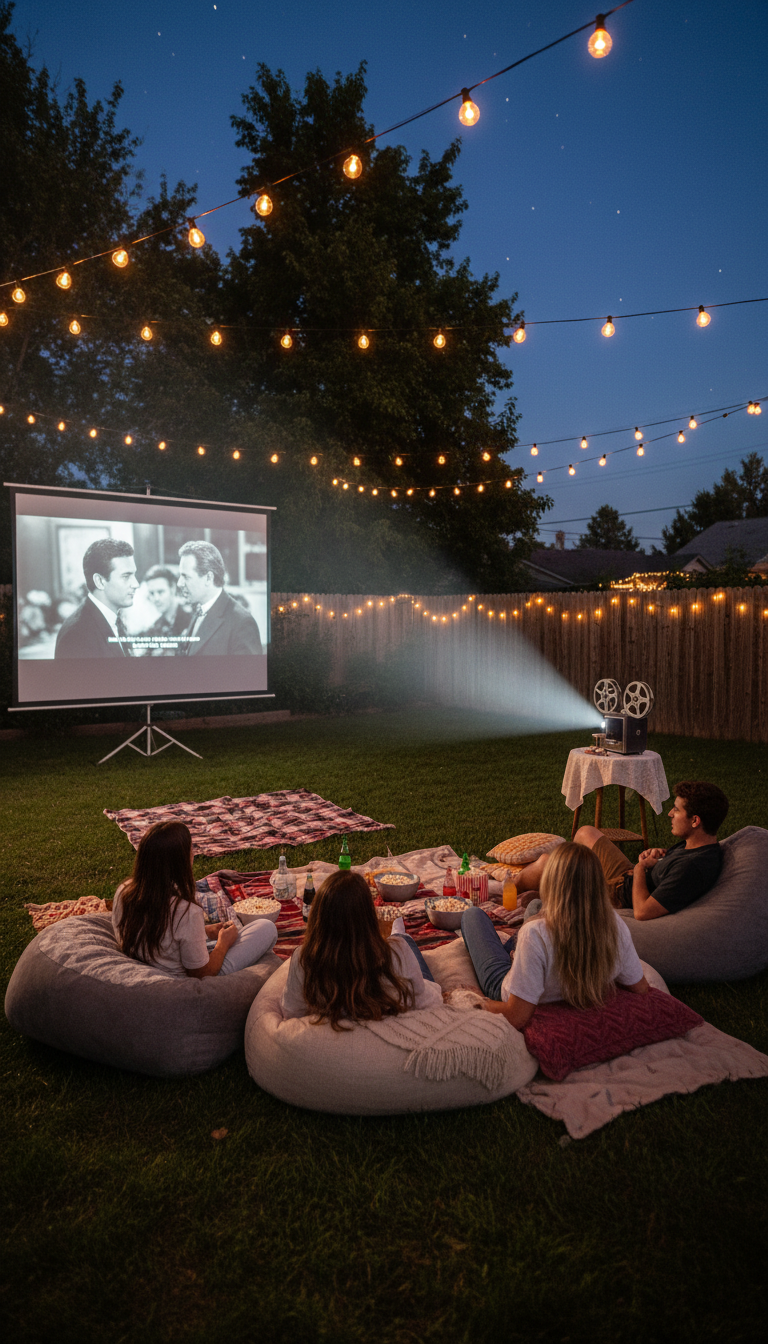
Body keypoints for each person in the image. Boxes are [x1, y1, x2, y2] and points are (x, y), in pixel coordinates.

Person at [461, 843, 649, 1029]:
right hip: (540, 959)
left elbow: (516, 1016)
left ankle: (511, 953)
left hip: (508, 983)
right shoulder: (614, 924)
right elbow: (639, 987)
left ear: (551, 881)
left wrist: (476, 1002)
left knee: (473, 916)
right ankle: (515, 951)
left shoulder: (535, 934)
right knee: (535, 906)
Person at [514, 780, 729, 923]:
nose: (670, 814)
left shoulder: (692, 868)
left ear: (695, 821)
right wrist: (656, 856)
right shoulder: (698, 846)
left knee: (547, 863)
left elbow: (642, 912)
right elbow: (668, 868)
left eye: (677, 810)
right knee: (585, 832)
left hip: (617, 894)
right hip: (626, 875)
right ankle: (557, 885)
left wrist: (640, 867)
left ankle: (511, 888)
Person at [112, 820, 277, 977]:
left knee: (239, 935)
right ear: (180, 861)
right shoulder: (186, 911)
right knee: (266, 928)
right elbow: (202, 973)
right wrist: (223, 944)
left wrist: (205, 931)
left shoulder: (124, 891)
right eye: (191, 848)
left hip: (154, 959)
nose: (194, 853)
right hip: (183, 978)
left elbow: (164, 934)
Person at [280, 871, 442, 1027]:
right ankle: (399, 932)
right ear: (369, 916)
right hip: (398, 957)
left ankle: (398, 932)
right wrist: (435, 988)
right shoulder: (397, 953)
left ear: (318, 917)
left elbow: (291, 1013)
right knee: (405, 942)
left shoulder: (302, 958)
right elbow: (428, 1002)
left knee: (400, 945)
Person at [55, 538, 139, 658]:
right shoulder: (77, 635)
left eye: (134, 575)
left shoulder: (112, 618)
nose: (136, 584)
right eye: (126, 576)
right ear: (99, 581)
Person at [177, 540, 262, 656]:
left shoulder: (242, 623)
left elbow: (248, 673)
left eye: (185, 577)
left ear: (208, 578)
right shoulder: (200, 610)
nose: (179, 583)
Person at [141, 564, 189, 653]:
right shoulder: (153, 630)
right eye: (152, 593)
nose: (156, 599)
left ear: (173, 589)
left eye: (160, 592)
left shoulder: (191, 620)